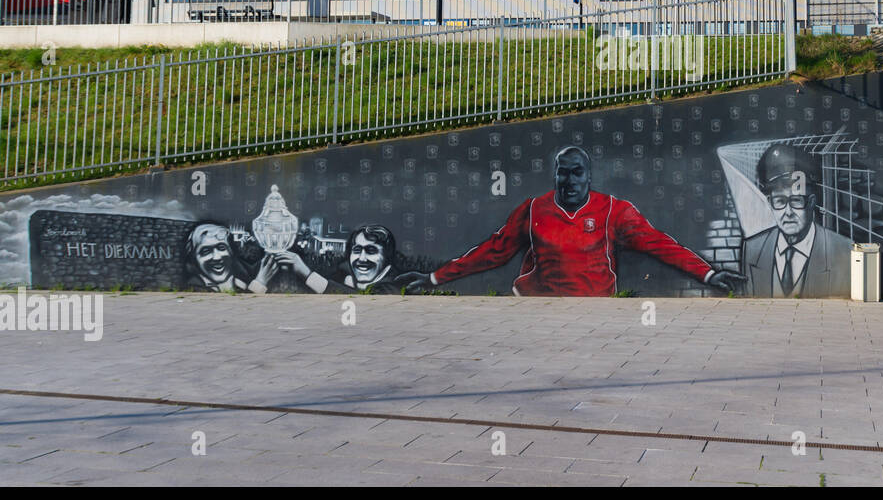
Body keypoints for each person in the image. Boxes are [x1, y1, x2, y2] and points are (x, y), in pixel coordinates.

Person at [397, 146, 744, 297]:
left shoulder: (613, 210)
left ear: (589, 176)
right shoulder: (533, 210)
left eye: (577, 173)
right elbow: (493, 251)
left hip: (596, 313)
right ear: (555, 176)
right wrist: (433, 278)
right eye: (563, 174)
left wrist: (709, 273)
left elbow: (660, 244)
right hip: (535, 306)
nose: (570, 181)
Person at [739, 144, 852, 298]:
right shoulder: (753, 249)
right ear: (770, 203)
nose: (788, 212)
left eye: (797, 201)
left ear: (812, 202)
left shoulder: (842, 250)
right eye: (779, 201)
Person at [278, 225, 407, 294]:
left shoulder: (393, 285)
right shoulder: (345, 272)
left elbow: (362, 300)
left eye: (371, 251)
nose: (362, 258)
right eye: (357, 250)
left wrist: (306, 274)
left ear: (387, 256)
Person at [183, 222, 279, 294]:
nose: (217, 257)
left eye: (221, 248)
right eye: (206, 251)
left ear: (231, 252)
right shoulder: (196, 286)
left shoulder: (239, 283)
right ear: (194, 259)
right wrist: (259, 284)